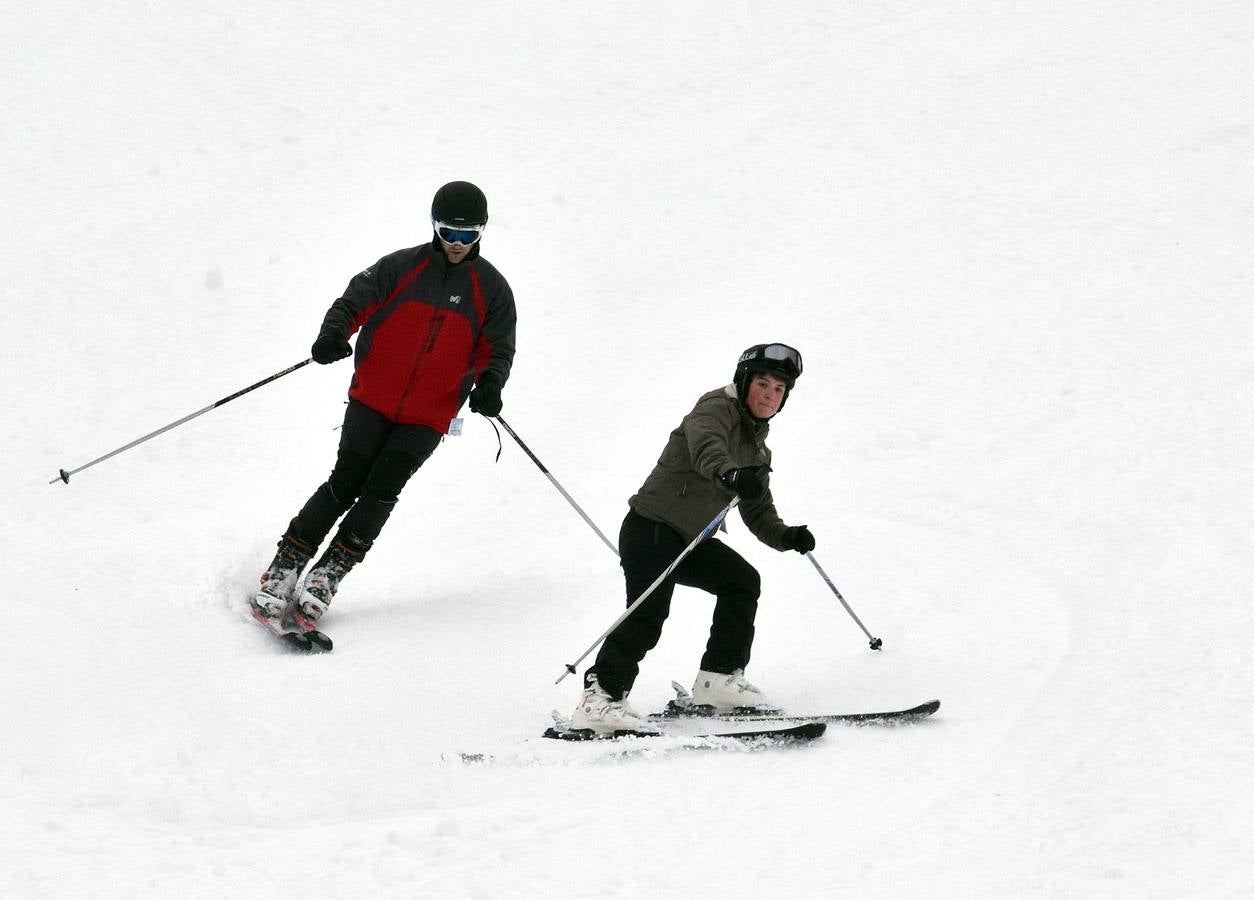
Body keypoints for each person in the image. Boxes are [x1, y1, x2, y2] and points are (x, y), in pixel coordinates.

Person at [252, 181, 517, 627]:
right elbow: (354, 301)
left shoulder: (491, 290)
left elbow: (498, 349)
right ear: (434, 227)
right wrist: (333, 335)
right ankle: (285, 566)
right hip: (372, 398)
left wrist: (491, 385)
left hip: (428, 415)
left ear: (482, 232)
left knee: (381, 492)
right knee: (346, 481)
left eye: (468, 235)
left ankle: (327, 575)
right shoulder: (401, 267)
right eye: (448, 232)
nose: (456, 244)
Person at [573, 343, 816, 733]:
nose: (769, 395)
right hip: (651, 528)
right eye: (763, 384)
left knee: (742, 581)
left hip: (689, 540)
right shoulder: (714, 409)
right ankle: (599, 699)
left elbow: (758, 511)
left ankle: (717, 681)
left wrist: (786, 536)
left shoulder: (757, 447)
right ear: (745, 382)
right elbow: (708, 449)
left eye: (778, 390)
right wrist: (731, 474)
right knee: (649, 612)